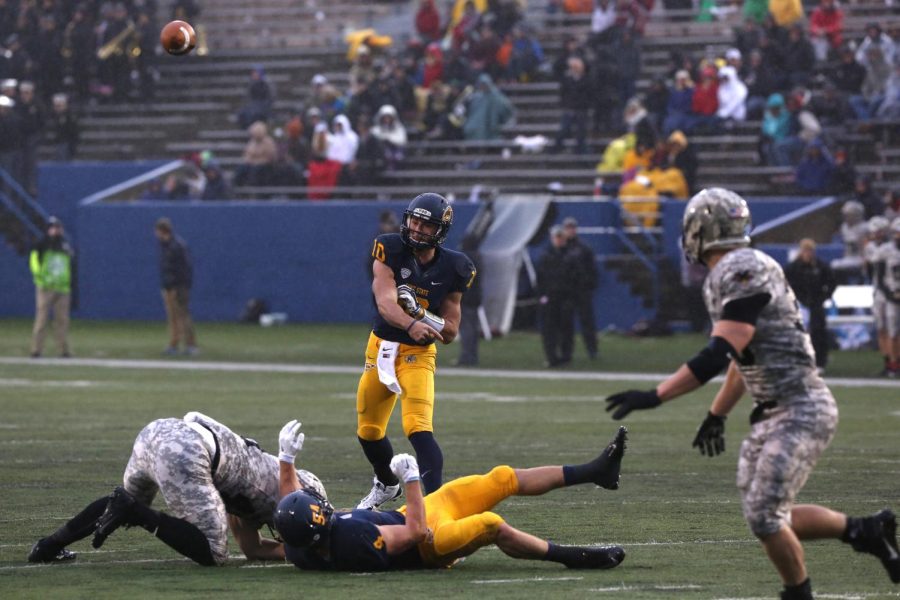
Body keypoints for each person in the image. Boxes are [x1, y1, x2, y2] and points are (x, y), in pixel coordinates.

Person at [604, 188, 900, 600]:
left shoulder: (742, 268)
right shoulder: (730, 270)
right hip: (774, 409)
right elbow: (744, 356)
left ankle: (798, 593)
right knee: (767, 515)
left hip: (800, 407)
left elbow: (719, 351)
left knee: (765, 516)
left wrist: (655, 396)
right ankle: (864, 530)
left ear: (701, 231)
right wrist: (717, 413)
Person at [275, 425, 628, 572]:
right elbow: (416, 532)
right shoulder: (355, 540)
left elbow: (292, 509)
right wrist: (412, 480)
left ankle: (596, 471)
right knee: (490, 525)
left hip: (407, 515)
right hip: (430, 543)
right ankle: (573, 557)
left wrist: (286, 460)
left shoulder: (300, 541)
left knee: (501, 478)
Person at [27, 413, 326, 566]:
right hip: (189, 450)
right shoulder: (286, 494)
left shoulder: (266, 494)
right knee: (214, 553)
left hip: (156, 432)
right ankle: (138, 513)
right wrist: (303, 549)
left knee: (121, 500)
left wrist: (289, 551)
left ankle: (47, 547)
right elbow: (288, 509)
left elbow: (251, 548)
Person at [355, 193, 476, 508]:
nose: (417, 228)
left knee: (418, 427)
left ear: (440, 230)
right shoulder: (389, 249)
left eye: (426, 224)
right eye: (414, 220)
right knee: (368, 431)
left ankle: (435, 507)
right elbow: (384, 302)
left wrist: (423, 316)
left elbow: (450, 332)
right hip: (381, 347)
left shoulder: (456, 266)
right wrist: (410, 323)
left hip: (417, 355)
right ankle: (386, 484)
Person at [785, 239, 836, 371]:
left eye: (810, 250)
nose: (808, 253)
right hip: (798, 305)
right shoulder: (793, 267)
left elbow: (831, 282)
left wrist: (824, 297)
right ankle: (798, 359)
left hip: (816, 304)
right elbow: (787, 285)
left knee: (818, 332)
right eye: (805, 250)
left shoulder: (820, 266)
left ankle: (819, 361)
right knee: (797, 333)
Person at [29, 216, 75, 358]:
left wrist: (69, 283)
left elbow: (69, 265)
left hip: (62, 288)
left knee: (62, 321)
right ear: (48, 229)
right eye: (53, 227)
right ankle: (36, 349)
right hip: (46, 287)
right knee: (42, 319)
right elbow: (34, 261)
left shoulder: (65, 245)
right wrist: (39, 277)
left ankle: (63, 350)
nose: (56, 230)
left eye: (57, 227)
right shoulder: (41, 244)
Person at [154, 217, 197, 356]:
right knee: (173, 317)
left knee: (183, 315)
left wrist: (177, 286)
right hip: (169, 286)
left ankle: (190, 345)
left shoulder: (176, 246)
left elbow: (183, 269)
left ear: (162, 231)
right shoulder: (166, 245)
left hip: (178, 287)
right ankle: (174, 343)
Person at [537, 225, 575, 367]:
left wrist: (572, 296)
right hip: (550, 299)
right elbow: (541, 279)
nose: (559, 240)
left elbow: (575, 277)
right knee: (549, 330)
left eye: (561, 237)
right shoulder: (546, 256)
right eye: (557, 237)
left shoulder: (570, 256)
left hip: (565, 298)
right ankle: (552, 357)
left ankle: (566, 357)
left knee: (566, 330)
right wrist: (542, 296)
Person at [563, 217, 599, 359]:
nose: (570, 230)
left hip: (582, 290)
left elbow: (592, 269)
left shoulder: (584, 248)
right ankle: (567, 352)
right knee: (566, 324)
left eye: (572, 227)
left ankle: (592, 350)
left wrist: (589, 285)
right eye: (568, 228)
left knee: (587, 322)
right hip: (567, 292)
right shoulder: (562, 248)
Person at [874, 217, 900, 378]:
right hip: (890, 294)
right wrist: (891, 295)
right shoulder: (885, 250)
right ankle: (892, 363)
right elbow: (879, 277)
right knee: (890, 330)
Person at [455, 234, 483, 366]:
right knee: (473, 328)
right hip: (475, 298)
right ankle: (473, 356)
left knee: (466, 329)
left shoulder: (464, 258)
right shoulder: (478, 258)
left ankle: (467, 357)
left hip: (464, 298)